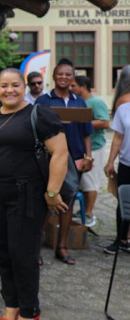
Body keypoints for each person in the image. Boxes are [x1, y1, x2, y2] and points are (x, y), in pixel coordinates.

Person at [0, 69, 68, 320]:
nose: (9, 90)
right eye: (4, 86)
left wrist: (52, 192)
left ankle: (30, 310)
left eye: (15, 85)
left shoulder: (39, 114)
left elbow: (60, 153)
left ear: (23, 86)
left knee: (23, 253)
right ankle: (11, 304)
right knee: (3, 251)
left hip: (27, 194)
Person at [36, 59, 92, 265]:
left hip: (75, 158)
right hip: (48, 159)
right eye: (60, 74)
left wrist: (88, 156)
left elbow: (87, 133)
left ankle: (62, 247)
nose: (64, 77)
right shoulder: (43, 101)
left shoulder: (80, 102)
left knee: (67, 202)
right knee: (44, 201)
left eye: (68, 74)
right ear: (53, 76)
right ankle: (37, 248)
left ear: (73, 77)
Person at [71, 75, 108, 227]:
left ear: (83, 87)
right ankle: (82, 211)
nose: (71, 88)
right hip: (80, 149)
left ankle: (89, 213)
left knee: (90, 183)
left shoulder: (96, 102)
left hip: (94, 148)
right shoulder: (79, 102)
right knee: (82, 183)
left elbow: (104, 122)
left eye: (73, 85)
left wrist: (82, 123)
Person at [105, 66, 130, 255]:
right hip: (127, 163)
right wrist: (110, 161)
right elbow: (118, 139)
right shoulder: (124, 108)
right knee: (123, 202)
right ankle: (120, 239)